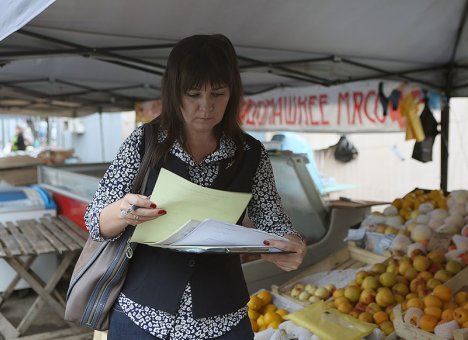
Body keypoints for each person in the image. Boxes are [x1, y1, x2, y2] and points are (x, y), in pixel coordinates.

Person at [85, 34, 306, 340]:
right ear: (174, 93)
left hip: (222, 320)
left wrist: (290, 244)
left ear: (233, 93)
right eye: (193, 94)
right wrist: (125, 212)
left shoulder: (250, 152)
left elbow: (273, 220)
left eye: (218, 93)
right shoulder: (145, 142)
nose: (206, 106)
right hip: (141, 317)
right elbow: (96, 221)